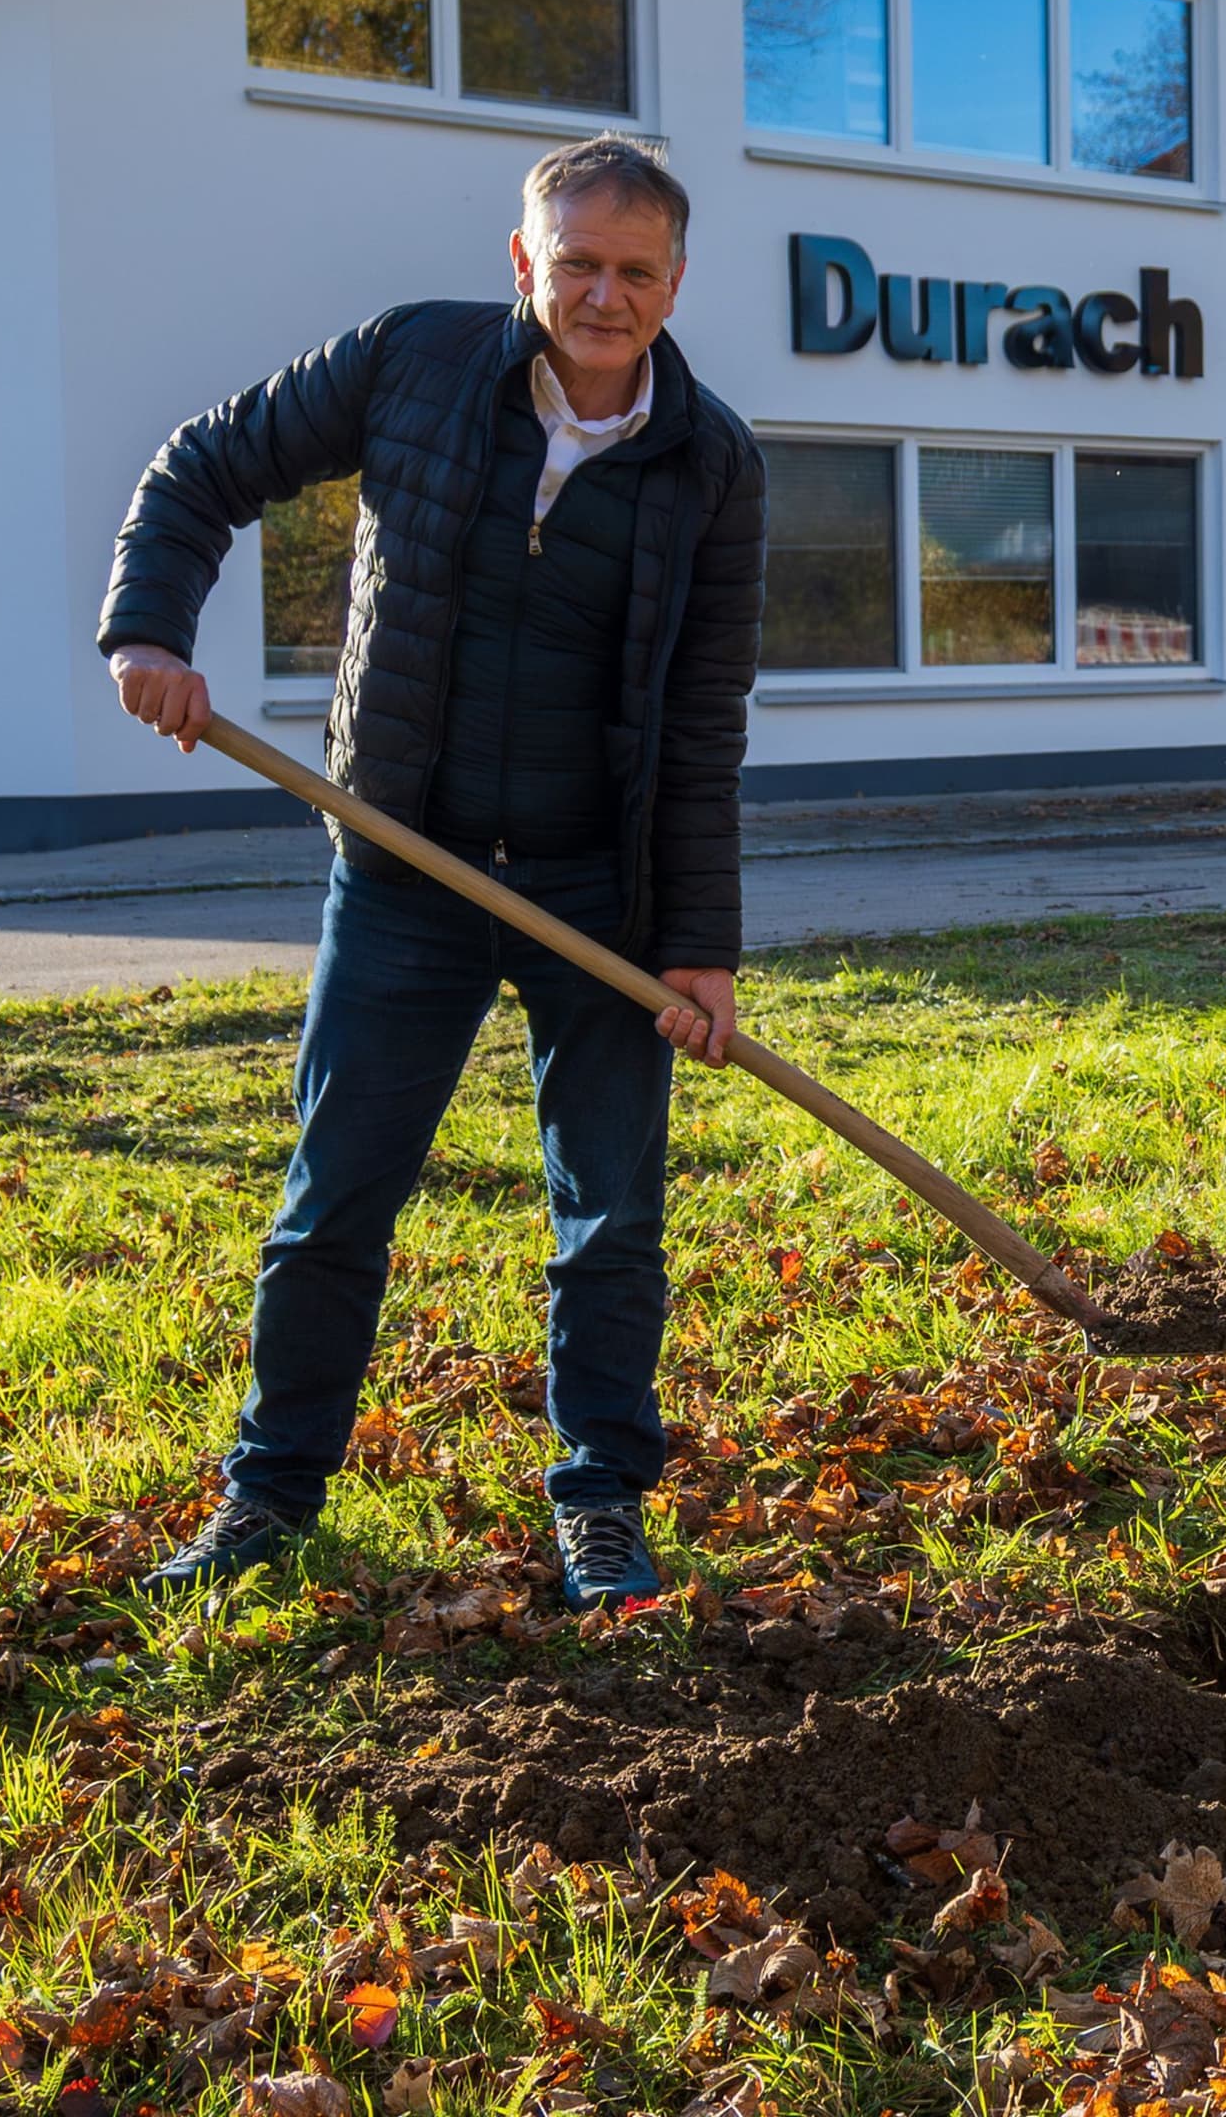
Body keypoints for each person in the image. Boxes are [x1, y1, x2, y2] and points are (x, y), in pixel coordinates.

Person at [97, 136, 762, 1611]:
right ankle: (270, 1498)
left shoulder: (709, 462)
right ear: (522, 261)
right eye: (574, 262)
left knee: (613, 1215)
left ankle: (601, 1509)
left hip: (603, 892)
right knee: (335, 1196)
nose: (602, 294)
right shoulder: (411, 363)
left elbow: (707, 716)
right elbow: (204, 465)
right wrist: (151, 627)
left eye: (633, 271)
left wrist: (699, 943)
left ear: (674, 282)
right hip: (408, 860)